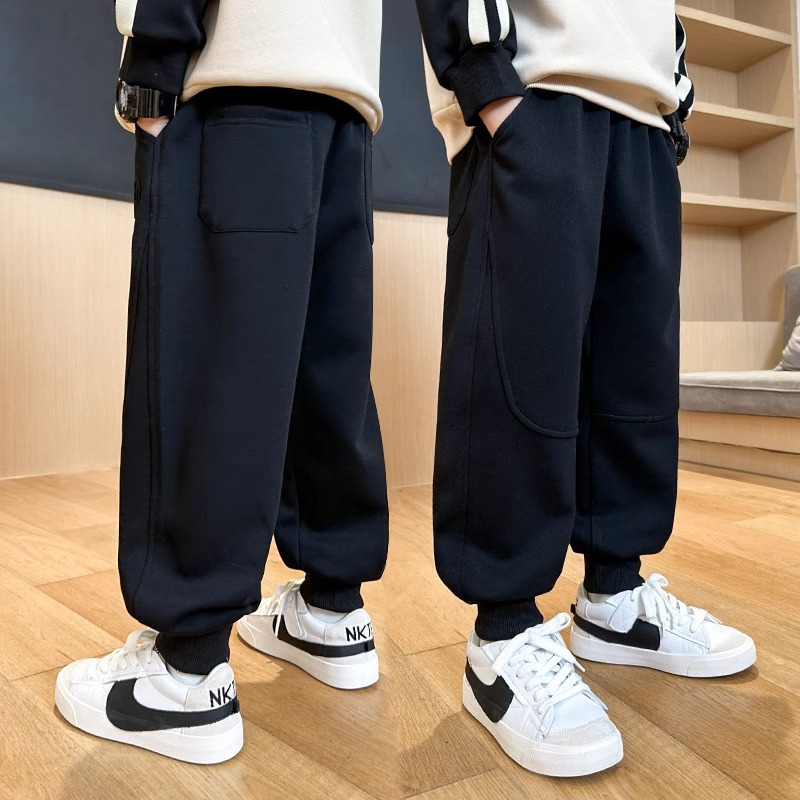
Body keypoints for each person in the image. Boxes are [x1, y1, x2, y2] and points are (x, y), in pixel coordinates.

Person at [415, 0, 756, 777]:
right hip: (534, 91)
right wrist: (487, 79)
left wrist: (672, 98)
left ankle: (614, 596)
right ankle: (502, 632)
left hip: (641, 110)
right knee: (518, 366)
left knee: (633, 374)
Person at [54, 0, 389, 764]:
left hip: (237, 64)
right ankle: (333, 610)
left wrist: (152, 53)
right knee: (322, 364)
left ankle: (185, 672)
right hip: (345, 89)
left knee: (214, 368)